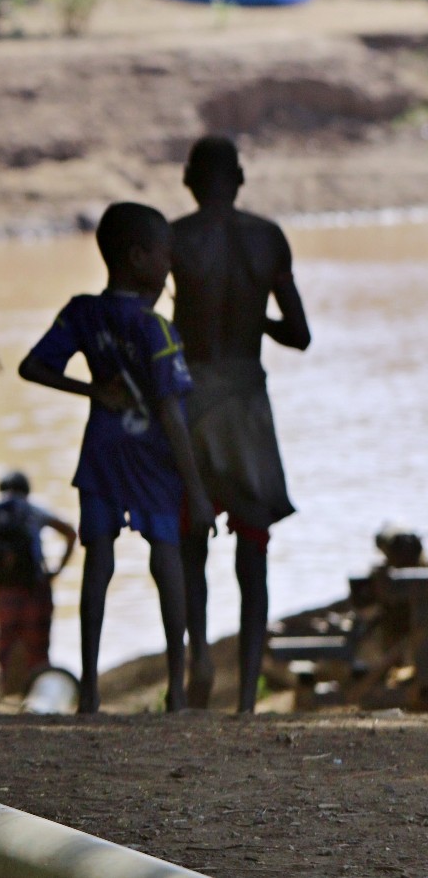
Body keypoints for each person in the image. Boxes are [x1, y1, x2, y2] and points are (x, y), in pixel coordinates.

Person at [19, 202, 214, 715]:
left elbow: (33, 367)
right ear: (137, 257)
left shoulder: (84, 311)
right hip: (153, 458)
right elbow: (172, 416)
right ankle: (177, 685)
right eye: (164, 254)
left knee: (98, 562)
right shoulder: (157, 330)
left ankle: (89, 692)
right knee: (165, 558)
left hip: (103, 452)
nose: (170, 264)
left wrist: (91, 390)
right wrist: (196, 490)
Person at [171, 135, 311, 712]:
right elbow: (299, 335)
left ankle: (198, 659)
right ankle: (248, 696)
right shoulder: (268, 238)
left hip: (192, 397)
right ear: (241, 178)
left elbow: (156, 322)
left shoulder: (175, 238)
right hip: (248, 401)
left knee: (190, 544)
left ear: (189, 181)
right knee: (253, 549)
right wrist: (257, 316)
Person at [0, 472, 77, 692]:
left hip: (3, 591)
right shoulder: (34, 510)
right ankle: (43, 692)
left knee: (0, 649)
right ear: (27, 491)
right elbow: (70, 533)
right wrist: (56, 571)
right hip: (35, 590)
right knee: (38, 651)